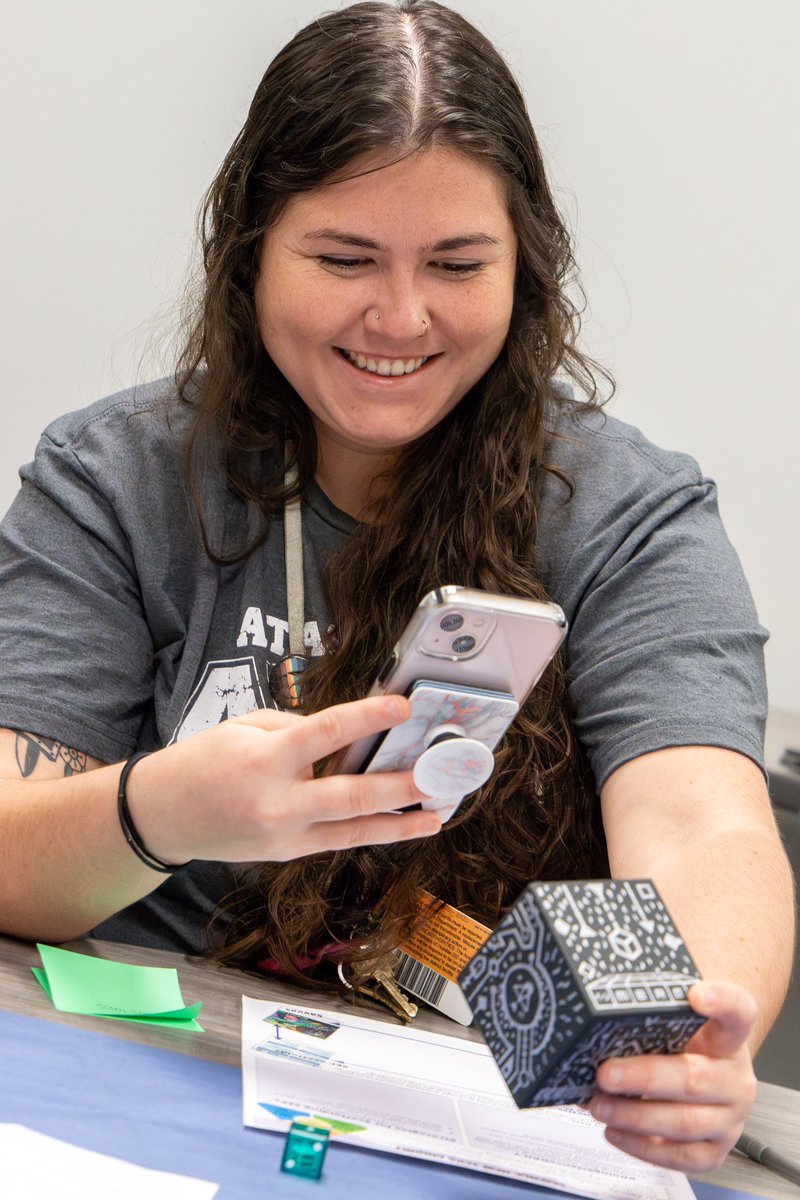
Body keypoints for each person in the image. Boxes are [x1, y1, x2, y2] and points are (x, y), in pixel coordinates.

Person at [0, 0, 793, 1175]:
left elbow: (699, 817)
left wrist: (691, 1018)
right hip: (148, 1070)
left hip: (479, 1107)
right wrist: (162, 810)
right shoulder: (115, 477)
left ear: (523, 269)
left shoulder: (626, 509)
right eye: (342, 259)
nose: (401, 318)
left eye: (457, 264)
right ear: (248, 250)